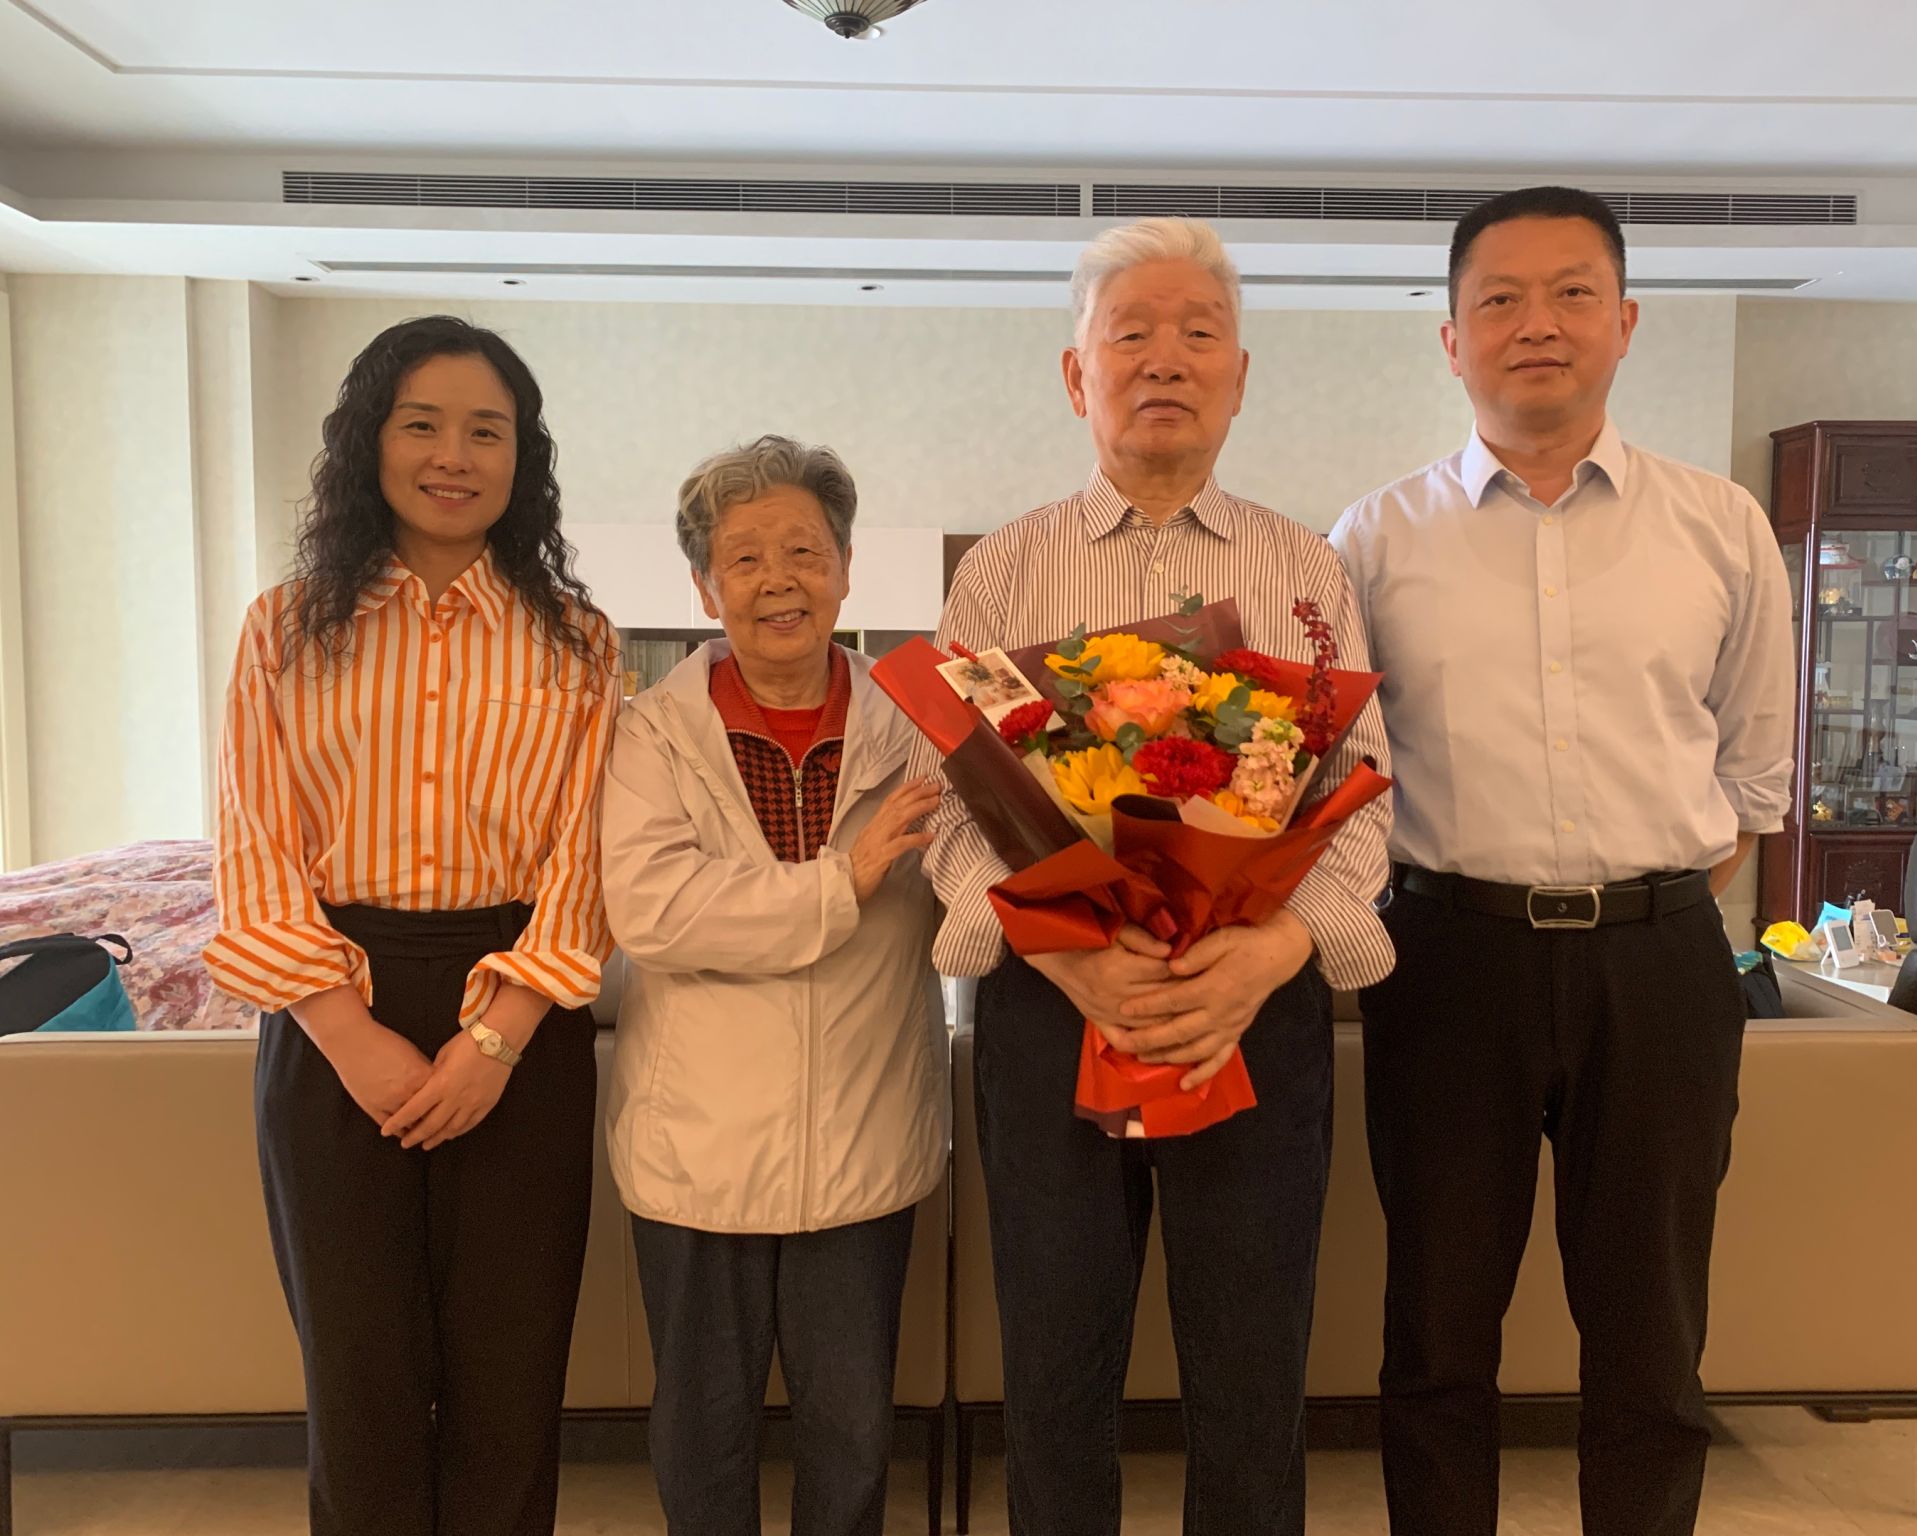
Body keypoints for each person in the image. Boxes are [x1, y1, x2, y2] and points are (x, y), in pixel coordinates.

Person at [1329, 185, 1796, 1536]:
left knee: (1651, 1335)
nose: (1536, 324)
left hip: (1659, 966)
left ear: (1625, 322)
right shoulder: (1371, 542)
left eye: (1572, 294)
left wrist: (1634, 910)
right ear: (1452, 338)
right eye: (1499, 300)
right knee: (1435, 1333)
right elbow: (1341, 778)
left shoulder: (1719, 526)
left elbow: (1750, 780)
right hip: (1445, 961)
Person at [916, 217, 1394, 1536]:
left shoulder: (1304, 569)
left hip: (1253, 1003)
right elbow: (951, 805)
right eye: (1129, 333)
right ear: (1078, 375)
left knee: (1251, 1367)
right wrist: (1068, 951)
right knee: (1053, 1364)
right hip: (1053, 1006)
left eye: (1197, 333)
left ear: (1240, 375)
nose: (1164, 358)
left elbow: (1361, 790)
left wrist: (1274, 951)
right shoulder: (1002, 570)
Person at [205, 315, 620, 1535]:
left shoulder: (577, 642)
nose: (453, 455)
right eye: (421, 424)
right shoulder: (285, 628)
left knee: (510, 1386)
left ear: (521, 458)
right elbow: (254, 844)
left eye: (486, 431)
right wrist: (350, 1036)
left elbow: (588, 857)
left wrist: (495, 1040)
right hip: (331, 1017)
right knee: (360, 1390)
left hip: (523, 1022)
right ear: (368, 442)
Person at [601, 435, 946, 1536]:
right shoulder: (649, 735)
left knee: (853, 1437)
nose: (777, 580)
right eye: (744, 558)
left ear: (845, 569)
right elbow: (654, 912)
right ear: (705, 587)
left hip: (865, 1138)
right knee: (702, 1437)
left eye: (804, 550)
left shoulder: (918, 732)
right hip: (696, 1150)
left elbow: (974, 894)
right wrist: (842, 882)